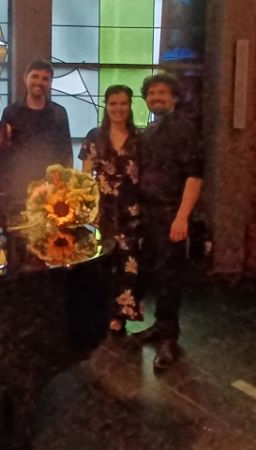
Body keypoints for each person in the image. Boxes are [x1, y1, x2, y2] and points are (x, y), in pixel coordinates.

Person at [132, 73, 204, 371]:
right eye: (151, 93)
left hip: (171, 214)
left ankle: (169, 340)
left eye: (162, 93)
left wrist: (182, 217)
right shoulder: (150, 130)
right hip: (148, 214)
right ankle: (159, 326)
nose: (156, 98)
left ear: (174, 97)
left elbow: (195, 176)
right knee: (154, 273)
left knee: (170, 277)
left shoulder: (185, 129)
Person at [79, 85, 142, 336]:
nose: (118, 108)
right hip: (103, 208)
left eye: (123, 103)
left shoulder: (139, 138)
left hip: (132, 208)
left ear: (130, 105)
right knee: (105, 260)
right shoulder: (95, 136)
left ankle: (121, 315)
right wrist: (85, 204)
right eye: (113, 103)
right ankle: (102, 312)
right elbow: (85, 175)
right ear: (106, 106)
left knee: (129, 262)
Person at [2, 60, 73, 192]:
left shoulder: (59, 112)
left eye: (45, 79)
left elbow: (66, 151)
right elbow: (4, 151)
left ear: (50, 83)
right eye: (35, 76)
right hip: (19, 184)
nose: (39, 82)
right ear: (25, 78)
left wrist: (67, 183)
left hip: (52, 184)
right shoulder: (11, 112)